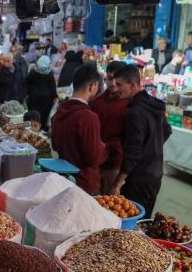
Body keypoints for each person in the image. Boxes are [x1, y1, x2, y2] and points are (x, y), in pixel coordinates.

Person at [109, 65, 171, 218]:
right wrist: (151, 147)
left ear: (132, 84)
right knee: (144, 219)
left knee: (132, 220)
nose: (116, 89)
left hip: (139, 178)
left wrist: (117, 183)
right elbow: (167, 130)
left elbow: (133, 153)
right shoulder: (153, 105)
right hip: (155, 174)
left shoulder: (134, 113)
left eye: (119, 85)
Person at [51, 64, 106, 194]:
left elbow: (55, 145)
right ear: (92, 87)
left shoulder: (59, 111)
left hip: (64, 178)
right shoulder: (88, 117)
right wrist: (104, 148)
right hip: (84, 183)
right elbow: (93, 158)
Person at [90, 61, 128, 194]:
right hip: (95, 161)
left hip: (115, 163)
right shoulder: (97, 102)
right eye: (110, 78)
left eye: (117, 80)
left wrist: (109, 147)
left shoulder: (129, 105)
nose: (112, 83)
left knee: (109, 201)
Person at [26, 55, 57, 132]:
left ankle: (32, 130)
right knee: (44, 117)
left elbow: (27, 83)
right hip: (46, 100)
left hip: (33, 98)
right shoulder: (49, 73)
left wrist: (27, 93)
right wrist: (55, 96)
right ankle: (42, 131)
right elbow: (53, 87)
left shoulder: (33, 72)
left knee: (33, 116)